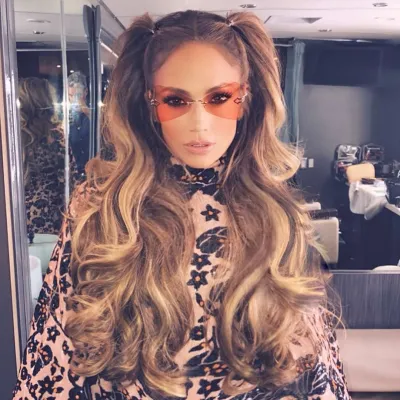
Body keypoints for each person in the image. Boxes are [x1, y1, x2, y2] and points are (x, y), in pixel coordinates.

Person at [13, 11, 350, 400]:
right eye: (175, 100)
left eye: (219, 97)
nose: (199, 123)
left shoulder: (275, 213)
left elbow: (311, 365)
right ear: (150, 102)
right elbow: (56, 360)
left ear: (245, 99)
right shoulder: (104, 208)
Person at [19, 77, 79, 238]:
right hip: (51, 219)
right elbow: (70, 178)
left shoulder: (14, 137)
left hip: (18, 218)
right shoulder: (55, 136)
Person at [68, 71, 90, 174]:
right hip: (73, 172)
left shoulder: (95, 115)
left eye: (78, 95)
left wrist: (87, 111)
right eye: (70, 96)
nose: (74, 100)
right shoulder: (65, 117)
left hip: (92, 169)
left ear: (86, 91)